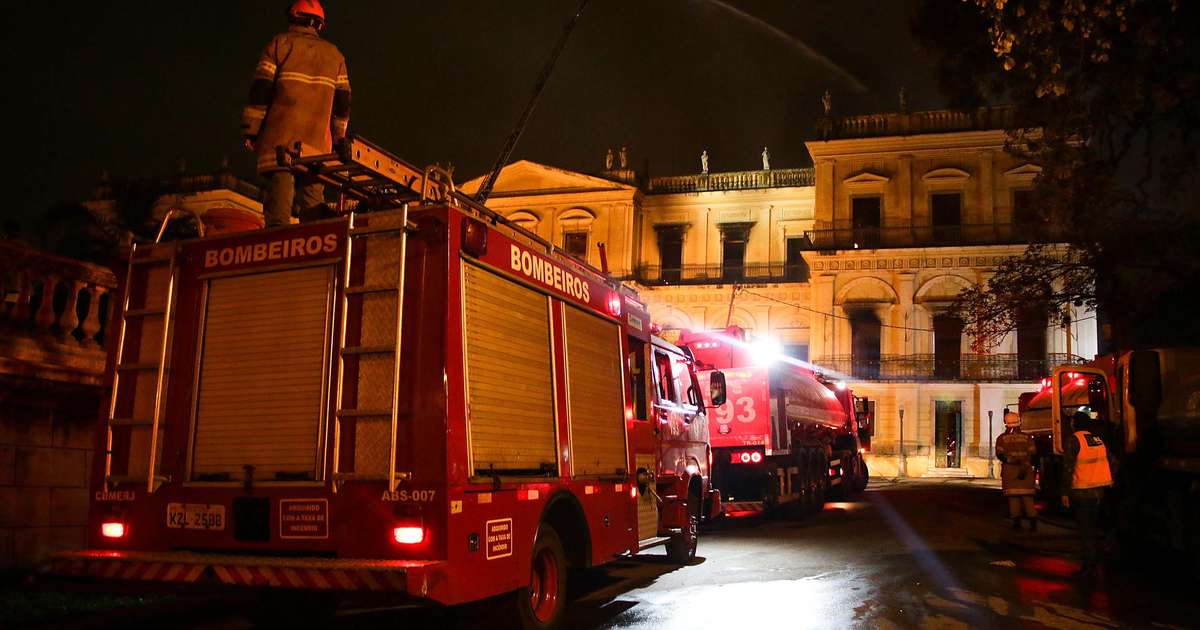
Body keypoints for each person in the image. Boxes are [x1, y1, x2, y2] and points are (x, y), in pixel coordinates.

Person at [241, 0, 351, 227]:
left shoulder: (279, 45)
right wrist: (339, 139)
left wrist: (251, 130)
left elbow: (261, 90)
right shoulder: (335, 56)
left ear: (292, 19)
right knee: (313, 205)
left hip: (280, 141)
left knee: (279, 210)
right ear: (319, 25)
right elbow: (342, 103)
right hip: (316, 147)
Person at [1063, 407, 1114, 578]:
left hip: (1082, 492)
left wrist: (1064, 492)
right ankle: (1098, 563)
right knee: (1095, 529)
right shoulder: (1098, 439)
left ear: (1075, 424)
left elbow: (1068, 467)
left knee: (1086, 531)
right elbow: (1113, 462)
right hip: (1100, 492)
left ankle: (1089, 566)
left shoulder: (1074, 440)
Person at [995, 409, 1038, 531]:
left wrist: (1011, 461)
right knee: (1028, 498)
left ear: (1006, 423)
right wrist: (1026, 463)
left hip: (1010, 471)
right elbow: (1033, 453)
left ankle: (1016, 523)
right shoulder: (1027, 437)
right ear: (1019, 422)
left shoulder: (1001, 438)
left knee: (1013, 498)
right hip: (1026, 469)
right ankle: (1033, 523)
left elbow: (1000, 455)